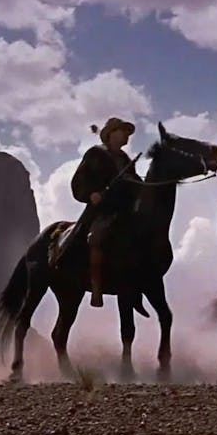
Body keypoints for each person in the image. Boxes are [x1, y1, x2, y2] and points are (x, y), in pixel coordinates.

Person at [71, 116, 141, 308]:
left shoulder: (126, 160)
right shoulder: (95, 154)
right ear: (111, 134)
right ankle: (96, 287)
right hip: (101, 211)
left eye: (127, 132)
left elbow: (134, 184)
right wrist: (90, 194)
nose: (126, 135)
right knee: (97, 237)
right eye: (122, 130)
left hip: (124, 211)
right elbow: (78, 181)